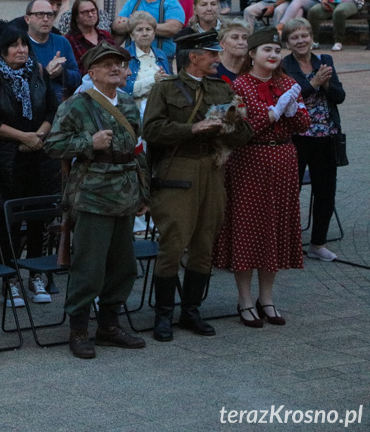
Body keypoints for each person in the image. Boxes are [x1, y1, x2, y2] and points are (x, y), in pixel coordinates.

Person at [143, 31, 253, 342]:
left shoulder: (221, 88)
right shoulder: (165, 89)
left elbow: (244, 135)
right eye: (212, 54)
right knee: (174, 244)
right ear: (194, 57)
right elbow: (151, 130)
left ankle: (191, 310)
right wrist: (193, 127)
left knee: (205, 244)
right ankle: (163, 313)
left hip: (213, 168)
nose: (218, 59)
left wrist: (230, 125)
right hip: (178, 168)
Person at [44, 42, 148, 359]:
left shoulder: (129, 104)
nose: (115, 68)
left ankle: (109, 325)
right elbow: (52, 145)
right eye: (107, 64)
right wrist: (87, 142)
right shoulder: (78, 105)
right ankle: (78, 330)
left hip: (126, 192)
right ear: (92, 73)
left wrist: (144, 193)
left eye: (118, 63)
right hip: (93, 194)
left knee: (123, 266)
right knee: (89, 266)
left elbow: (137, 151)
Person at [213, 27, 310, 327]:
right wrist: (270, 114)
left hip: (283, 160)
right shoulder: (240, 86)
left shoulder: (287, 83)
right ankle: (244, 298)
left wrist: (291, 109)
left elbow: (303, 123)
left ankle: (266, 297)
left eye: (276, 50)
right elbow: (238, 131)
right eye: (266, 50)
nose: (273, 55)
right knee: (248, 226)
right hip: (250, 161)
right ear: (252, 53)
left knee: (275, 226)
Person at [0, 21, 57, 306]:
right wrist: (22, 137)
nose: (21, 50)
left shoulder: (38, 72)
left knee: (38, 218)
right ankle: (9, 279)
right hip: (8, 159)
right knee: (10, 220)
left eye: (24, 44)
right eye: (14, 45)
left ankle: (35, 276)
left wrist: (39, 136)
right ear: (2, 49)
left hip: (39, 155)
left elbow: (52, 108)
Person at [281, 18, 344, 261]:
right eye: (294, 37)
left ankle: (318, 243)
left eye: (304, 35)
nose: (300, 41)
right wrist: (312, 83)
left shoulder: (324, 61)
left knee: (326, 191)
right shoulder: (284, 66)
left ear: (311, 37)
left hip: (326, 135)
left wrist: (327, 85)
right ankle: (287, 243)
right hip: (295, 138)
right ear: (287, 42)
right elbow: (286, 101)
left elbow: (340, 97)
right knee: (289, 192)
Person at [113, 0, 185, 60]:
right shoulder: (132, 2)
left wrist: (136, 23)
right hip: (133, 60)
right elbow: (117, 26)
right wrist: (150, 25)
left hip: (161, 61)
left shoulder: (170, 3)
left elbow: (172, 28)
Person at [25, 0, 81, 101]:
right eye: (40, 14)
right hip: (31, 104)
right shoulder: (20, 44)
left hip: (59, 105)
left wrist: (61, 73)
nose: (46, 19)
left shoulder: (62, 42)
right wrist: (45, 74)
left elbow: (77, 78)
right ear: (27, 19)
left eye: (50, 15)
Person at [124, 11, 171, 109]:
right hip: (134, 110)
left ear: (154, 34)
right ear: (132, 36)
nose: (144, 33)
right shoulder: (124, 56)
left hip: (162, 109)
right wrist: (153, 80)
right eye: (139, 30)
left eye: (148, 29)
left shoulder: (161, 54)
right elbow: (124, 90)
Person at [65, 0, 114, 71]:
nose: (91, 15)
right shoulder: (69, 40)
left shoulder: (105, 35)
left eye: (93, 11)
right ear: (76, 17)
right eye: (85, 12)